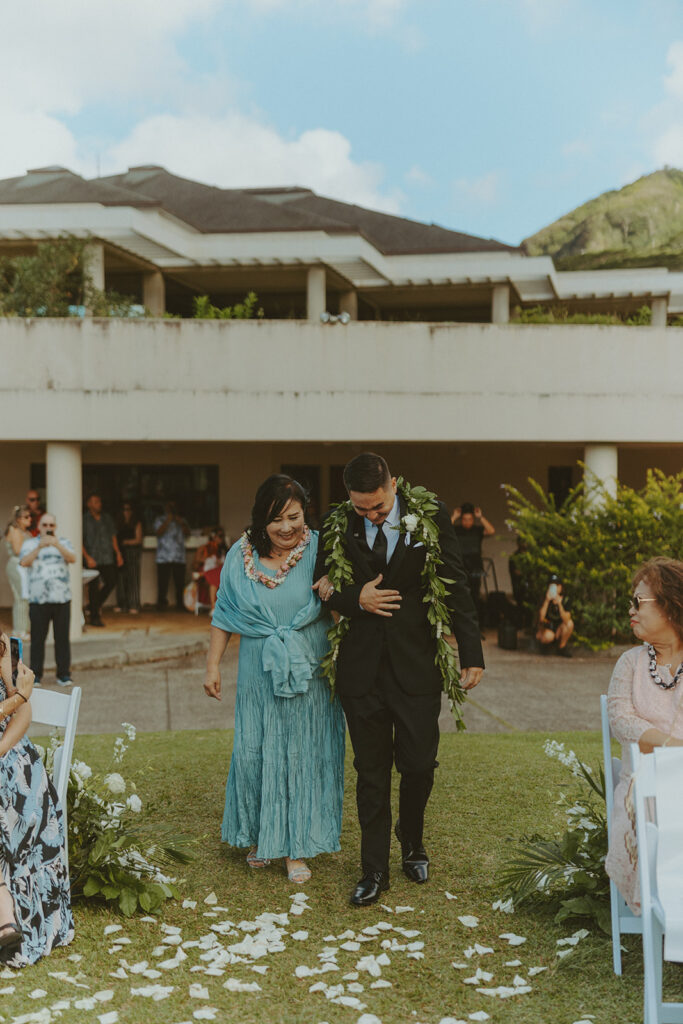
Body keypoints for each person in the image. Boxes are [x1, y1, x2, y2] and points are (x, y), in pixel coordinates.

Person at [313, 453, 484, 906]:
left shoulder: (430, 515)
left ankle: (412, 840)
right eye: (361, 508)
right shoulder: (336, 522)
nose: (370, 515)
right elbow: (319, 584)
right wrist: (356, 598)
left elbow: (455, 581)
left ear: (393, 485)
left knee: (419, 765)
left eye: (377, 506)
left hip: (415, 665)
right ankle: (374, 870)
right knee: (370, 773)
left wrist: (472, 652)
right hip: (361, 669)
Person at [204, 475, 345, 885]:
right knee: (254, 752)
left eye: (294, 517)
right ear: (260, 519)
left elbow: (341, 604)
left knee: (302, 753)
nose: (287, 528)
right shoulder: (239, 554)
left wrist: (337, 595)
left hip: (308, 668)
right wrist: (213, 665)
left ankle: (297, 845)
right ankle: (261, 835)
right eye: (276, 519)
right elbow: (224, 611)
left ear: (306, 514)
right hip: (257, 669)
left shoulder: (321, 549)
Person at [606, 557, 683, 913]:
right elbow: (621, 720)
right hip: (643, 783)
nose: (631, 610)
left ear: (670, 606)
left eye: (639, 602)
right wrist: (673, 747)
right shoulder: (631, 663)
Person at [0, 636, 74, 966]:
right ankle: (5, 916)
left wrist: (10, 685)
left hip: (14, 763)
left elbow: (24, 713)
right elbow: (19, 700)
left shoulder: (1, 643)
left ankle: (7, 918)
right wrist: (18, 697)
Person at [20, 513, 76, 687]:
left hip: (61, 599)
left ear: (55, 527)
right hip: (38, 600)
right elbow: (23, 562)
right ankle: (36, 676)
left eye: (52, 525)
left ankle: (64, 674)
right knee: (37, 639)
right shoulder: (30, 544)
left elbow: (72, 558)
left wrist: (57, 544)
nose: (49, 528)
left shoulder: (64, 542)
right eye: (45, 525)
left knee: (62, 638)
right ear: (39, 526)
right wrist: (39, 547)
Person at [83, 493, 123, 626]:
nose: (98, 504)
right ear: (88, 504)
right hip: (92, 558)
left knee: (111, 581)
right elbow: (79, 540)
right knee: (93, 587)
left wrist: (118, 553)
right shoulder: (84, 519)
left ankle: (94, 605)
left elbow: (113, 537)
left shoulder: (107, 518)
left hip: (107, 557)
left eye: (99, 501)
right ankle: (95, 617)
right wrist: (87, 557)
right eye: (95, 502)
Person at [451, 502, 495, 613]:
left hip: (475, 566)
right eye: (465, 519)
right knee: (460, 594)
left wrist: (480, 517)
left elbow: (491, 531)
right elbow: (443, 531)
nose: (467, 522)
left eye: (470, 519)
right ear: (462, 520)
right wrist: (455, 516)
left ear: (473, 519)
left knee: (475, 594)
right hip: (460, 566)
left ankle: (476, 621)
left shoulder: (477, 530)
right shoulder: (457, 530)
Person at [154, 501, 190, 611]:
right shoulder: (160, 519)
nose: (171, 509)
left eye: (173, 507)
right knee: (162, 583)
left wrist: (180, 522)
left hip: (178, 556)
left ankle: (180, 604)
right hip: (163, 556)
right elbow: (158, 532)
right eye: (170, 506)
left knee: (179, 582)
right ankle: (161, 604)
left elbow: (188, 533)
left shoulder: (182, 520)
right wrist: (168, 520)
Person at [4, 505, 31, 638]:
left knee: (25, 597)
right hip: (18, 565)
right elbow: (18, 550)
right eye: (26, 517)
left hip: (25, 566)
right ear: (19, 519)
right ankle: (19, 629)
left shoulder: (25, 532)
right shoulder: (14, 530)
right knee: (21, 597)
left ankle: (25, 627)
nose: (29, 519)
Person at [535, 574, 574, 657]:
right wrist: (547, 601)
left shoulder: (566, 599)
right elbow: (541, 618)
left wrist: (559, 604)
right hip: (547, 627)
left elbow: (567, 619)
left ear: (561, 587)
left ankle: (562, 647)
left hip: (560, 627)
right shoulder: (544, 598)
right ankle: (545, 645)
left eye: (557, 585)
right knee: (548, 636)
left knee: (570, 624)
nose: (555, 588)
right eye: (552, 586)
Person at [115, 502, 143, 614]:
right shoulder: (118, 523)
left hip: (133, 553)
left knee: (133, 578)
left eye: (128, 509)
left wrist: (126, 542)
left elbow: (138, 539)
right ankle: (122, 603)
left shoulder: (136, 523)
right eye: (124, 509)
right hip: (121, 553)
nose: (126, 512)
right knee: (121, 578)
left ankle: (134, 604)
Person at [193, 526, 227, 612]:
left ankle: (215, 607)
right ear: (213, 536)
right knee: (214, 577)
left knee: (220, 571)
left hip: (221, 574)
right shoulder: (205, 548)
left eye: (222, 536)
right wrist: (206, 558)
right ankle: (213, 607)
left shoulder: (224, 549)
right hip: (209, 573)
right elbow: (195, 563)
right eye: (219, 536)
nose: (221, 539)